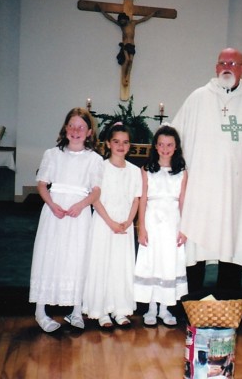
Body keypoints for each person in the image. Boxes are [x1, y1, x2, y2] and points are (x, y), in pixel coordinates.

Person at [172, 47, 242, 293]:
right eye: (222, 62)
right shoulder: (198, 98)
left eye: (233, 64)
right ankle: (190, 307)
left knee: (232, 244)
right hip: (201, 192)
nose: (226, 67)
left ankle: (227, 306)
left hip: (237, 192)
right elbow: (174, 137)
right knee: (196, 246)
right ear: (215, 67)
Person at [29, 108, 103, 332]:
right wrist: (52, 204)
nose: (76, 131)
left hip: (78, 214)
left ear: (89, 132)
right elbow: (42, 184)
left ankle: (76, 310)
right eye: (72, 125)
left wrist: (81, 205)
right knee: (49, 255)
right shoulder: (52, 154)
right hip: (55, 211)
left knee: (77, 257)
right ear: (65, 128)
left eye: (81, 127)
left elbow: (96, 191)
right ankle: (41, 311)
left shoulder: (94, 159)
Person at [82, 123, 142, 328]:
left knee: (120, 266)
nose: (120, 146)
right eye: (116, 141)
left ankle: (120, 309)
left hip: (123, 226)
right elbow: (95, 198)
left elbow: (136, 199)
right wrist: (110, 223)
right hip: (104, 223)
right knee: (103, 264)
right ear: (108, 143)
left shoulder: (134, 171)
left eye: (125, 142)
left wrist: (127, 222)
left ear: (129, 146)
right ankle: (102, 311)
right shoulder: (101, 167)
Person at [134, 125, 188, 326]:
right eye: (161, 144)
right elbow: (143, 199)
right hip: (152, 221)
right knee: (152, 262)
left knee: (168, 263)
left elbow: (183, 201)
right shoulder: (147, 170)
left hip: (173, 222)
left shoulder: (182, 172)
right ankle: (151, 308)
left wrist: (184, 228)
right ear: (155, 146)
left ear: (176, 147)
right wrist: (142, 227)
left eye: (170, 145)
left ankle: (165, 309)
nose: (165, 149)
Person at [97, 4, 157, 87]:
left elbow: (144, 19)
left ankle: (127, 76)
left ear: (125, 19)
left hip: (132, 45)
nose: (121, 22)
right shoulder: (121, 26)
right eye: (120, 21)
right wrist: (102, 11)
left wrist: (152, 14)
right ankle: (124, 77)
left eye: (122, 20)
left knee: (131, 61)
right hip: (125, 45)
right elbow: (110, 18)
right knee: (127, 60)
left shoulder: (133, 23)